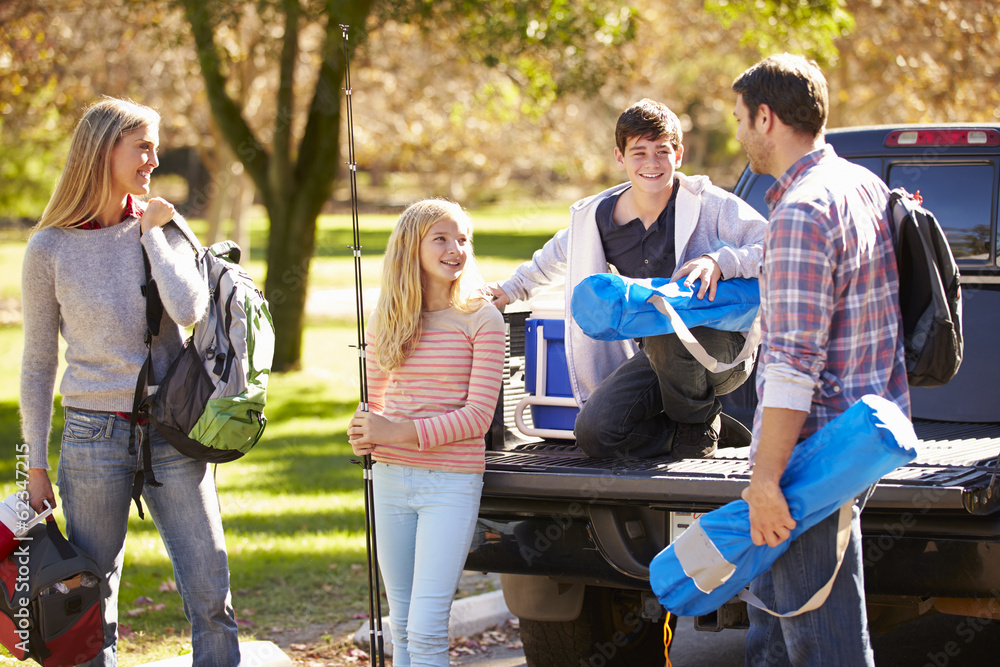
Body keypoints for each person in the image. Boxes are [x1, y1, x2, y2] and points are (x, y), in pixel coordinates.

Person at [21, 98, 241, 666]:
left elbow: (190, 309)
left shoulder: (160, 224)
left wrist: (150, 234)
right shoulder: (49, 249)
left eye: (154, 145)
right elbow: (39, 362)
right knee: (92, 601)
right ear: (103, 150)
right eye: (142, 146)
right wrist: (35, 466)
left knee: (210, 594)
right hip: (93, 439)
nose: (154, 157)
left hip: (172, 432)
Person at [732, 54, 910, 665]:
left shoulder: (802, 213)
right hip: (853, 440)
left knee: (820, 645)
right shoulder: (860, 184)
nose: (738, 135)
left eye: (740, 120)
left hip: (808, 457)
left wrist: (765, 480)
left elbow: (790, 364)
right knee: (775, 636)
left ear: (766, 117)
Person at [491, 99, 767, 459]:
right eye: (639, 153)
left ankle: (695, 424)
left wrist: (720, 261)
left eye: (662, 151)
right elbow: (550, 261)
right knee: (595, 432)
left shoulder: (711, 205)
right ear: (620, 157)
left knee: (667, 324)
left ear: (678, 154)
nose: (652, 163)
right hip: (658, 352)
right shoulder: (597, 219)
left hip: (723, 351)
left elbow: (775, 244)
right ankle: (704, 431)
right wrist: (506, 292)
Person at [347, 199, 505, 667]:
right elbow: (373, 403)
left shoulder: (483, 319)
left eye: (462, 239)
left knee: (427, 627)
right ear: (410, 247)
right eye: (441, 238)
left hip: (450, 484)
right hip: (392, 481)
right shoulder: (387, 319)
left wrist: (393, 430)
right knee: (402, 627)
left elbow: (477, 418)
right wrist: (362, 429)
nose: (456, 248)